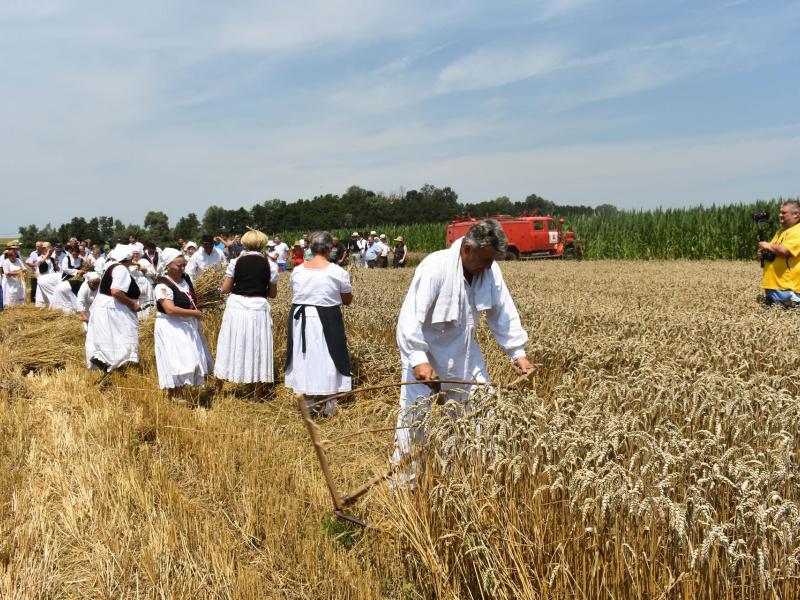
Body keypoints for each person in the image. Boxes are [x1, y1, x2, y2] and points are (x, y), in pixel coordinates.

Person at [392, 219, 534, 483]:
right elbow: (410, 318)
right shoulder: (435, 267)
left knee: (484, 412)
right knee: (414, 421)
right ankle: (404, 486)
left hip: (465, 352)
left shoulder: (490, 272)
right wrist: (418, 360)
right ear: (467, 249)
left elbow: (502, 310)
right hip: (425, 352)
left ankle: (476, 478)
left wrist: (518, 352)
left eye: (492, 261)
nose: (488, 266)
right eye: (485, 259)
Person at [285, 231, 353, 417]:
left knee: (304, 357)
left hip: (301, 320)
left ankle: (308, 404)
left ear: (311, 248)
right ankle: (330, 404)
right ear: (329, 248)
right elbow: (347, 300)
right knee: (329, 357)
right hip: (327, 319)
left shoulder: (297, 271)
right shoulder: (338, 272)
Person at [214, 229, 278, 398]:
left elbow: (226, 289)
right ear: (262, 244)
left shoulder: (235, 262)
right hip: (258, 308)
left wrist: (217, 289)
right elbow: (272, 294)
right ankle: (258, 393)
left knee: (228, 344)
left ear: (244, 243)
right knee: (258, 346)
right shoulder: (271, 265)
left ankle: (218, 389)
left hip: (237, 307)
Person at [154, 248, 213, 399]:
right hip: (171, 327)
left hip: (187, 325)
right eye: (178, 265)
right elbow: (170, 309)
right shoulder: (162, 286)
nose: (182, 268)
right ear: (167, 265)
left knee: (190, 359)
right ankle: (176, 394)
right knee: (178, 361)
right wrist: (194, 313)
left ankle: (176, 392)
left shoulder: (186, 278)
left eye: (183, 265)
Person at [85, 244, 143, 373]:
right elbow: (116, 292)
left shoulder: (111, 266)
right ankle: (112, 364)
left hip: (107, 307)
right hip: (113, 310)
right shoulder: (121, 269)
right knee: (121, 338)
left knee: (110, 338)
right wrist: (133, 305)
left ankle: (109, 364)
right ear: (127, 258)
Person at [759, 200, 800, 308]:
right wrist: (762, 253)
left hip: (787, 288)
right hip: (774, 286)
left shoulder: (798, 231)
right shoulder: (780, 232)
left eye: (784, 212)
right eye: (780, 212)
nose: (780, 215)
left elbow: (785, 250)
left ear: (796, 215)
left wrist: (767, 245)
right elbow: (773, 251)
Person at [130, 247, 156, 317]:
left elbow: (153, 273)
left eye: (137, 254)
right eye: (134, 254)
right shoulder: (128, 263)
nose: (135, 255)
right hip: (134, 287)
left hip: (146, 286)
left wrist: (144, 269)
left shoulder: (144, 261)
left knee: (148, 307)